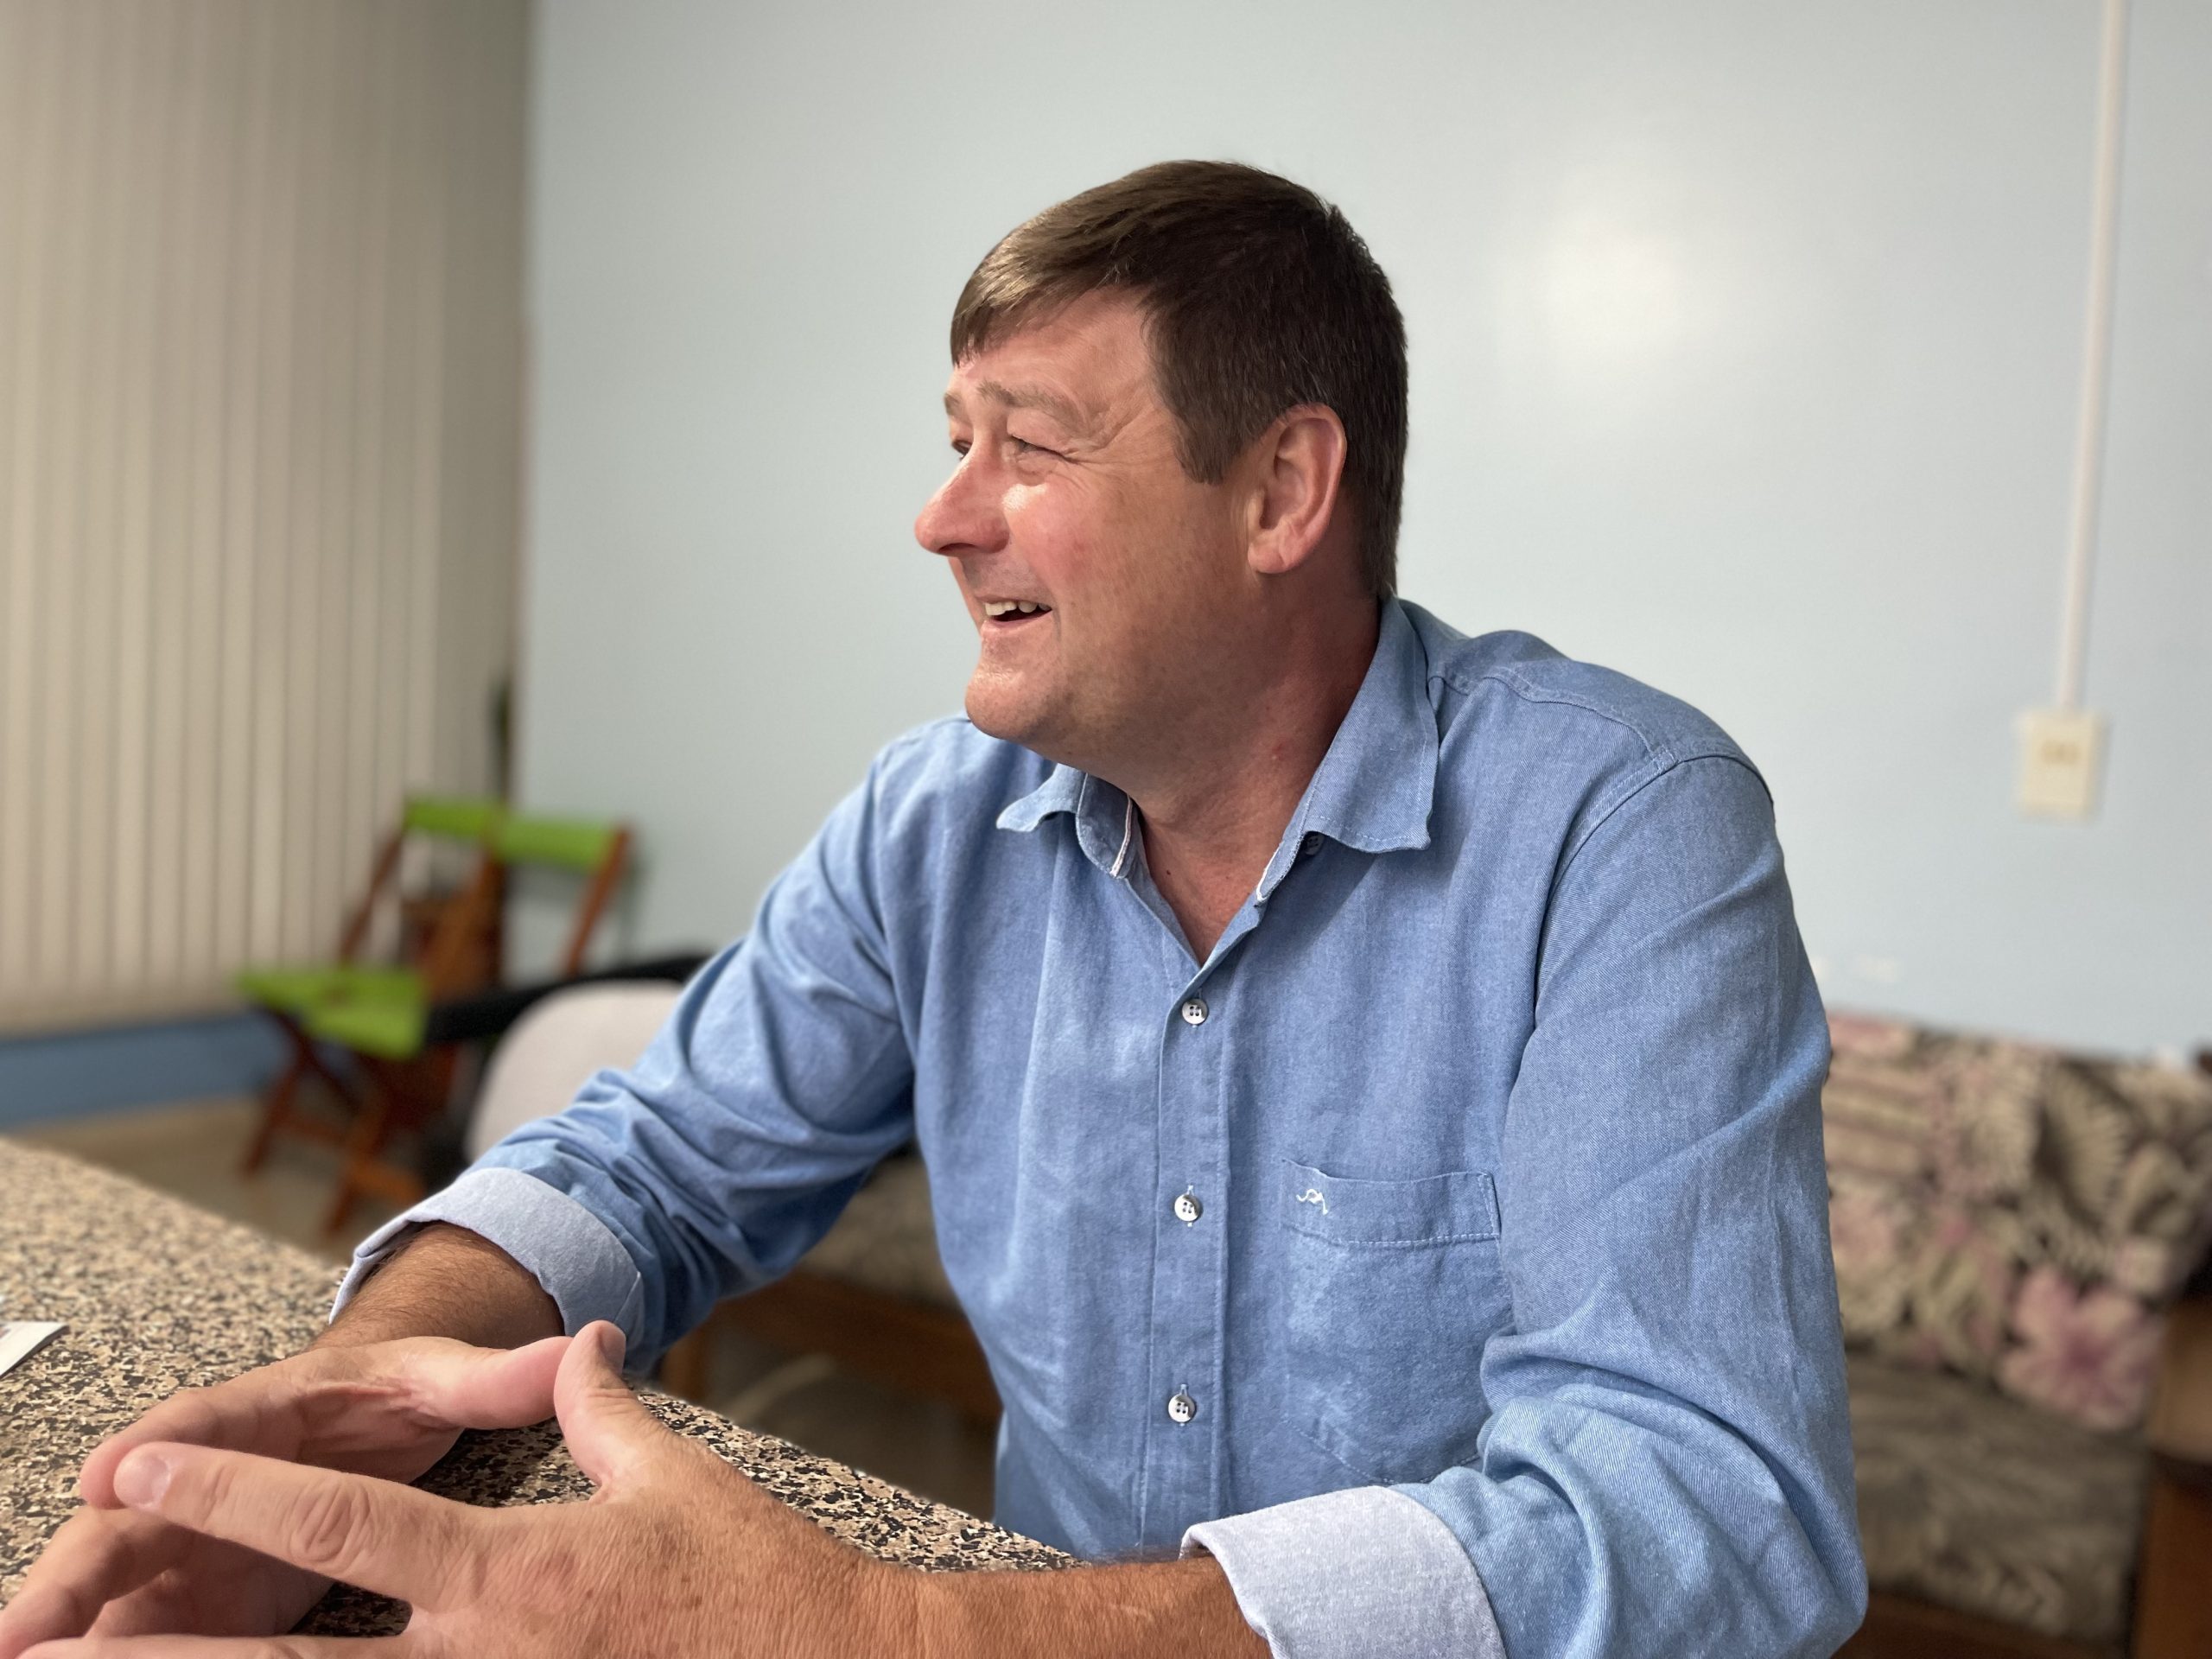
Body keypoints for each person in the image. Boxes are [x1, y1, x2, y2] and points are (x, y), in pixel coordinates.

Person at [0, 161, 1866, 1659]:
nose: (942, 517)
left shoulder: (1620, 826)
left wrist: (888, 1629)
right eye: (954, 437)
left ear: (1282, 489)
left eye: (1027, 447)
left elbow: (1707, 1510)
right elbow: (653, 1162)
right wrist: (355, 1392)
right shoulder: (937, 818)